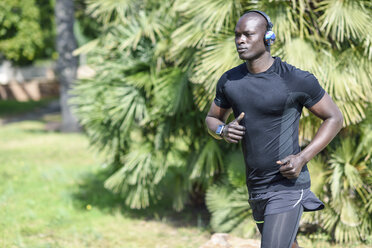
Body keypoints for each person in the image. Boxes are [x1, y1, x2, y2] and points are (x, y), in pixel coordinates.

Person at [205, 10, 344, 248]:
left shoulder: (295, 80)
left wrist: (302, 158)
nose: (240, 40)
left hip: (287, 184)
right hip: (256, 186)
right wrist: (223, 131)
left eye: (248, 35)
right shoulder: (229, 82)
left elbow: (334, 118)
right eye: (237, 35)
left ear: (268, 37)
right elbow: (211, 119)